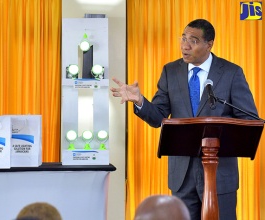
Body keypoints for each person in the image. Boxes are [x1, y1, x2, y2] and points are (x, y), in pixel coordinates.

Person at [110, 19, 258, 220]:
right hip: (182, 175)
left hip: (219, 174)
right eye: (183, 38)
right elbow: (158, 117)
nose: (185, 45)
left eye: (194, 41)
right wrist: (140, 101)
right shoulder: (170, 72)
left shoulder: (231, 72)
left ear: (209, 44)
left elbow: (249, 120)